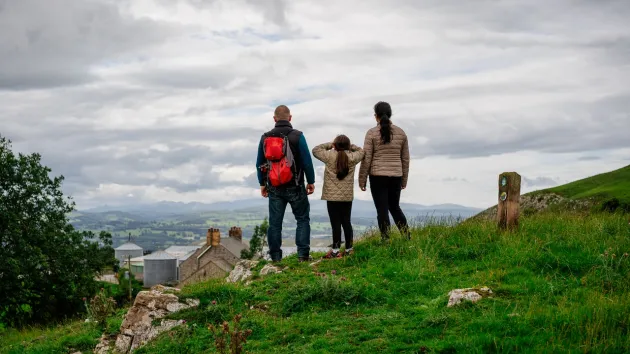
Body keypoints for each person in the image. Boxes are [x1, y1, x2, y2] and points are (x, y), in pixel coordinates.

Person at [256, 105, 316, 262]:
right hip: (295, 185)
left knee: (275, 224)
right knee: (302, 219)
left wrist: (262, 183)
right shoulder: (297, 136)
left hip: (274, 186)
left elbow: (259, 163)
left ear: (274, 118)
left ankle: (275, 257)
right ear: (290, 118)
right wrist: (311, 181)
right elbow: (307, 162)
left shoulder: (265, 137)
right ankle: (303, 255)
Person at [358, 101, 410, 241]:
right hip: (396, 175)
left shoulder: (371, 133)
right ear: (390, 114)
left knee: (382, 209)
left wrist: (362, 180)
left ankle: (386, 240)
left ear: (376, 116)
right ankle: (406, 237)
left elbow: (366, 158)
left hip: (377, 176)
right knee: (395, 207)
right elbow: (405, 159)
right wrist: (404, 179)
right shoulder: (401, 133)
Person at [312, 135, 364, 258]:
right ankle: (349, 249)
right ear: (347, 146)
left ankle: (335, 251)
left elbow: (315, 150)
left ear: (335, 145)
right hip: (346, 196)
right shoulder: (352, 157)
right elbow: (362, 151)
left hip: (331, 196)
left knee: (335, 223)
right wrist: (351, 147)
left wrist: (331, 144)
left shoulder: (329, 156)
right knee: (346, 222)